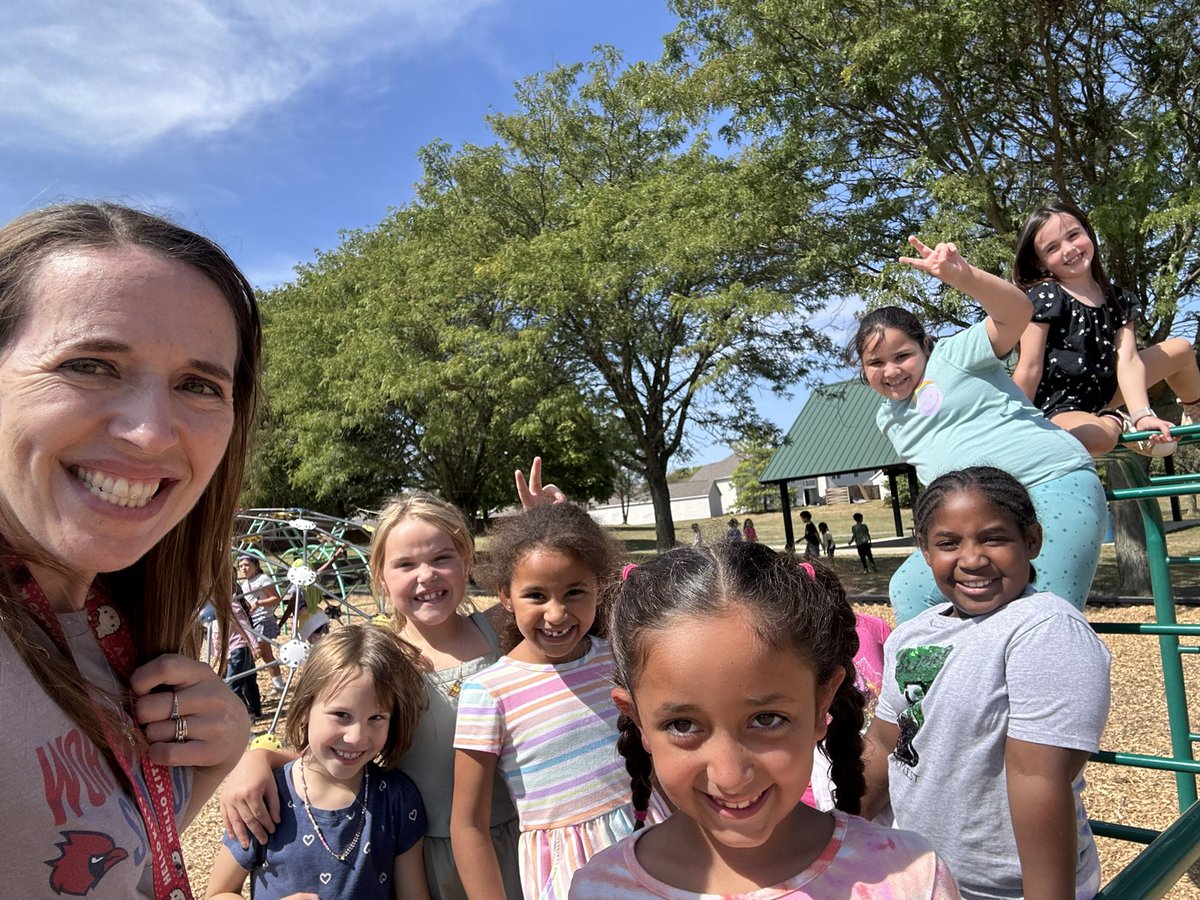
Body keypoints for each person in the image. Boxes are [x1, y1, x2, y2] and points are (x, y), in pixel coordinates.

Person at [0, 201, 262, 896]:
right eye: (90, 364)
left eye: (198, 385)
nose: (150, 432)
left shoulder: (112, 630)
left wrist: (209, 762)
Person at [570, 543, 959, 898]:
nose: (730, 775)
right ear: (636, 720)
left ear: (822, 702)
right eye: (683, 725)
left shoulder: (910, 879)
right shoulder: (599, 890)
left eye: (766, 719)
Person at [219, 492, 524, 899]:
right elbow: (340, 742)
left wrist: (551, 522)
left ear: (466, 560)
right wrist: (260, 757)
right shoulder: (382, 660)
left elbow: (570, 598)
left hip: (518, 838)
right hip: (422, 852)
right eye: (405, 564)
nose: (426, 575)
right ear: (380, 576)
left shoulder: (502, 629)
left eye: (441, 558)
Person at [863, 467, 1111, 898]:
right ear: (924, 550)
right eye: (948, 543)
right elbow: (885, 745)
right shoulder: (912, 633)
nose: (972, 559)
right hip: (925, 875)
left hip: (1009, 889)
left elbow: (1039, 777)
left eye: (993, 538)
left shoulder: (1042, 629)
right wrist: (828, 833)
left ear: (1031, 541)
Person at [855, 236, 1107, 623]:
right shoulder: (886, 418)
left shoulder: (954, 356)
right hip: (974, 520)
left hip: (1049, 482)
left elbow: (1017, 312)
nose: (890, 371)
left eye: (902, 356)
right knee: (910, 589)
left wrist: (966, 277)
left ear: (925, 345)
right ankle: (933, 683)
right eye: (876, 363)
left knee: (1042, 616)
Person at [451, 502, 666, 899]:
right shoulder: (488, 693)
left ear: (599, 587)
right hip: (567, 875)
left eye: (574, 592)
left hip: (657, 842)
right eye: (536, 595)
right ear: (504, 595)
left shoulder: (620, 657)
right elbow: (468, 826)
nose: (556, 613)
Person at [206, 624, 431, 899]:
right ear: (304, 708)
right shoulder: (265, 796)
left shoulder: (397, 798)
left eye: (376, 718)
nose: (357, 737)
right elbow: (218, 892)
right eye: (341, 714)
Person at [1012, 200, 1200, 456]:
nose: (1069, 249)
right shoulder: (1044, 296)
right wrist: (1014, 422)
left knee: (1181, 348)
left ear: (1088, 232)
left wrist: (1142, 413)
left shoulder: (1118, 299)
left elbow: (1129, 361)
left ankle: (1194, 412)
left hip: (1106, 388)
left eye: (1073, 235)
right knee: (1097, 437)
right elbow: (1030, 367)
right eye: (1053, 247)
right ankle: (1116, 421)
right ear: (1040, 262)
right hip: (1062, 405)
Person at [237, 554, 286, 693]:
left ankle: (279, 684)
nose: (243, 569)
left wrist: (258, 603)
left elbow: (276, 598)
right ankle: (275, 684)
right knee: (262, 654)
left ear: (255, 565)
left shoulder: (263, 579)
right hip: (251, 620)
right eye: (241, 566)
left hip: (263, 619)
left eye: (246, 565)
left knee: (264, 652)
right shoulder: (244, 584)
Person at [226, 579, 263, 719]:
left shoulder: (232, 606)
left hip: (240, 649)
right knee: (248, 682)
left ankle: (246, 714)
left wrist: (255, 646)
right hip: (238, 649)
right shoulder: (225, 606)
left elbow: (245, 627)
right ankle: (256, 711)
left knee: (231, 685)